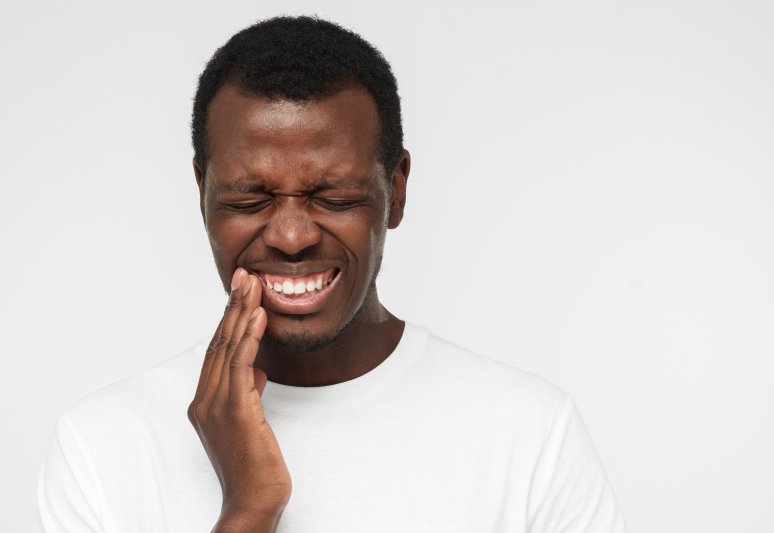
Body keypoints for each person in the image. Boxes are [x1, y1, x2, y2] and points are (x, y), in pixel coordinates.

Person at [35, 16, 627, 533]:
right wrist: (248, 511)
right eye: (248, 200)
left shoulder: (529, 433)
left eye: (334, 196)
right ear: (202, 193)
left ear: (394, 190)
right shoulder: (103, 444)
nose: (292, 236)